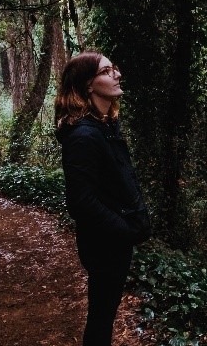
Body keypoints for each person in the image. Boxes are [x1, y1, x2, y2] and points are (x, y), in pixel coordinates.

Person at [54, 51, 151, 346]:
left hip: (112, 240)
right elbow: (80, 201)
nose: (117, 74)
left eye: (115, 68)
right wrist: (125, 231)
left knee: (104, 313)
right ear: (88, 85)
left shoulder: (104, 126)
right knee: (101, 316)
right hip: (106, 242)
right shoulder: (85, 136)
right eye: (108, 71)